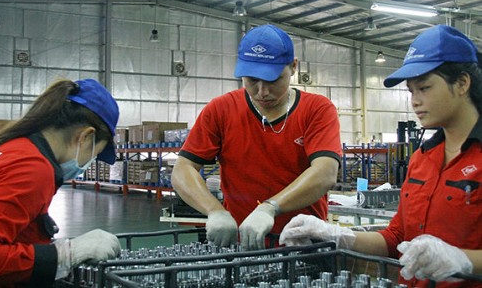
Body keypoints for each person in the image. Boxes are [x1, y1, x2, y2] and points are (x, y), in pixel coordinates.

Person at [279, 25, 482, 287]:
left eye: (425, 88)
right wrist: (337, 235)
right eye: (411, 91)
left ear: (462, 83)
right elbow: (394, 238)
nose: (415, 101)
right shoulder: (422, 158)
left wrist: (463, 260)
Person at [171, 24, 342, 250]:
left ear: (293, 67)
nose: (262, 92)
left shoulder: (317, 110)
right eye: (252, 80)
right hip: (243, 245)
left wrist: (270, 207)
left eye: (272, 80)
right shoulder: (221, 110)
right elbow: (183, 169)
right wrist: (214, 210)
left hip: (302, 243)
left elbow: (325, 172)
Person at [0, 79, 122, 287]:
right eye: (95, 154)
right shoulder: (33, 168)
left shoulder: (15, 147)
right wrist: (64, 255)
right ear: (85, 136)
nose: (89, 162)